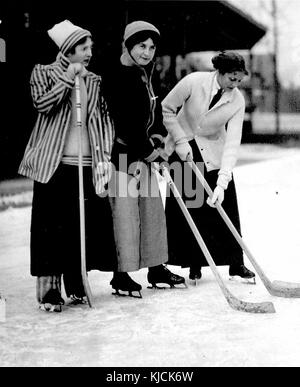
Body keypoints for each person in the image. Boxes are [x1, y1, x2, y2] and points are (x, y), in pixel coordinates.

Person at [18, 20, 117, 312]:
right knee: (51, 228)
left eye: (90, 48)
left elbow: (101, 121)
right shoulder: (43, 72)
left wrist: (103, 158)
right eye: (83, 48)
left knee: (79, 226)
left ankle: (76, 283)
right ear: (68, 49)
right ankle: (49, 291)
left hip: (85, 162)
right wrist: (66, 77)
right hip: (54, 163)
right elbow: (42, 104)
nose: (89, 53)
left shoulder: (94, 80)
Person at [104, 20, 185, 297]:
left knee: (151, 212)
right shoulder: (117, 75)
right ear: (128, 45)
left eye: (151, 47)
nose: (147, 52)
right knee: (126, 215)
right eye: (141, 46)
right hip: (123, 154)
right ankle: (121, 274)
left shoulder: (144, 74)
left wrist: (159, 136)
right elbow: (125, 124)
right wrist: (152, 153)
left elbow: (153, 113)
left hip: (142, 154)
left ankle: (156, 267)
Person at [162, 51, 255, 283]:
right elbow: (167, 108)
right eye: (231, 78)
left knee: (225, 205)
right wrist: (180, 140)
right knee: (191, 206)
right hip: (182, 148)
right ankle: (195, 264)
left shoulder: (237, 100)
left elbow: (233, 142)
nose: (235, 84)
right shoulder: (194, 81)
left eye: (239, 80)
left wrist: (223, 182)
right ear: (219, 72)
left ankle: (236, 263)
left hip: (213, 150)